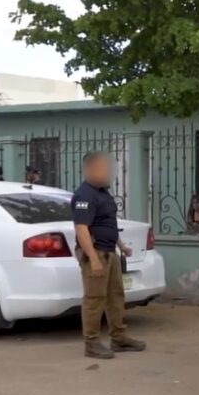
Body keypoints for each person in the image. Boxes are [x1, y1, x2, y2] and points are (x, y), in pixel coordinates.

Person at [71, 152, 147, 359]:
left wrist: (121, 245)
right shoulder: (84, 195)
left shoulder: (103, 193)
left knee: (116, 297)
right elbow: (82, 229)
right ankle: (92, 343)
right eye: (103, 168)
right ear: (90, 170)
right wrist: (93, 259)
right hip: (96, 253)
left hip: (110, 252)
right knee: (94, 299)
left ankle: (119, 338)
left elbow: (108, 224)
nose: (108, 173)